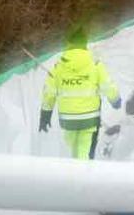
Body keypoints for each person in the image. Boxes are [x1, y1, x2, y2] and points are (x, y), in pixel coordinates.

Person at [39, 27, 121, 160]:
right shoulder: (95, 64)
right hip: (89, 118)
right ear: (85, 43)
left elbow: (49, 92)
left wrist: (45, 114)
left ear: (69, 43)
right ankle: (83, 175)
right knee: (84, 151)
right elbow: (107, 85)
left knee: (71, 151)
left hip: (68, 119)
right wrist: (115, 100)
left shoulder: (58, 67)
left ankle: (71, 176)